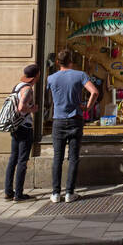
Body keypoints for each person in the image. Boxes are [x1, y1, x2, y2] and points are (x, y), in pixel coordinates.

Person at [46, 49, 99, 203]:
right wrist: (88, 108)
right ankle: (70, 192)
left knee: (58, 157)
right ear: (72, 61)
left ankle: (56, 193)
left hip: (58, 121)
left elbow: (48, 99)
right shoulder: (80, 75)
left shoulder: (51, 78)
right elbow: (94, 92)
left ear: (57, 62)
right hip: (76, 119)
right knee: (73, 158)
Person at [3, 64, 40, 202]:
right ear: (36, 76)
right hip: (24, 127)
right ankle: (18, 194)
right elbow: (21, 107)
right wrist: (33, 109)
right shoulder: (28, 89)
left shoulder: (17, 86)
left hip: (15, 127)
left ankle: (8, 191)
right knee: (22, 160)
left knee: (13, 158)